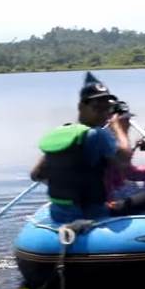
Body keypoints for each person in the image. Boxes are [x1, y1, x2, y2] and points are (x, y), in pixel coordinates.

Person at [30, 72, 131, 223]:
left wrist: (65, 185)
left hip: (60, 213)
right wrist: (119, 128)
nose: (104, 112)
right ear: (81, 106)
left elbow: (36, 174)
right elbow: (124, 161)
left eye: (108, 107)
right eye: (97, 107)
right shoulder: (98, 135)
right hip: (90, 213)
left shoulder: (64, 131)